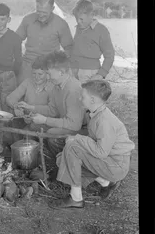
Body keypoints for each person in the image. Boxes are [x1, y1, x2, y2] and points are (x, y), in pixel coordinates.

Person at [49, 80, 135, 209]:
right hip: (110, 160)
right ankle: (105, 182)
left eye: (82, 96)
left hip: (117, 164)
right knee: (63, 158)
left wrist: (76, 139)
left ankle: (76, 198)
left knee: (72, 148)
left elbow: (101, 152)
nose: (79, 99)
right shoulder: (96, 113)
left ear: (93, 100)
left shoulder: (105, 121)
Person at [24, 51, 87, 166]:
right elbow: (52, 110)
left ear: (61, 72)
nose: (47, 77)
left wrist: (45, 120)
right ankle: (42, 160)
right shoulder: (56, 86)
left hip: (80, 129)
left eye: (49, 73)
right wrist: (32, 109)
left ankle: (64, 165)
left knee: (52, 135)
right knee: (32, 127)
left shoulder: (73, 89)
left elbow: (74, 125)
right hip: (66, 123)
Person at [15, 0, 74, 85]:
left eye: (44, 12)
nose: (41, 15)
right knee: (21, 92)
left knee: (48, 96)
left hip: (49, 68)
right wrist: (19, 59)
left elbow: (69, 48)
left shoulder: (61, 24)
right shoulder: (28, 20)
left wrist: (61, 68)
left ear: (52, 8)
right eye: (38, 11)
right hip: (28, 64)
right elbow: (16, 40)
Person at [6, 55, 54, 142]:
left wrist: (33, 116)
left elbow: (52, 111)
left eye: (40, 74)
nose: (36, 77)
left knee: (29, 131)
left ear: (47, 74)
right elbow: (10, 98)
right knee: (13, 122)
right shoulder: (28, 82)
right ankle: (16, 147)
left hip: (44, 122)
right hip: (27, 119)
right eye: (34, 73)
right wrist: (16, 106)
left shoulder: (52, 87)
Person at [70, 0, 115, 82]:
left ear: (91, 15)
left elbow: (110, 55)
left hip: (91, 74)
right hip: (74, 71)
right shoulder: (79, 28)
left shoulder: (101, 30)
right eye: (76, 19)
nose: (78, 22)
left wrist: (101, 74)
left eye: (81, 19)